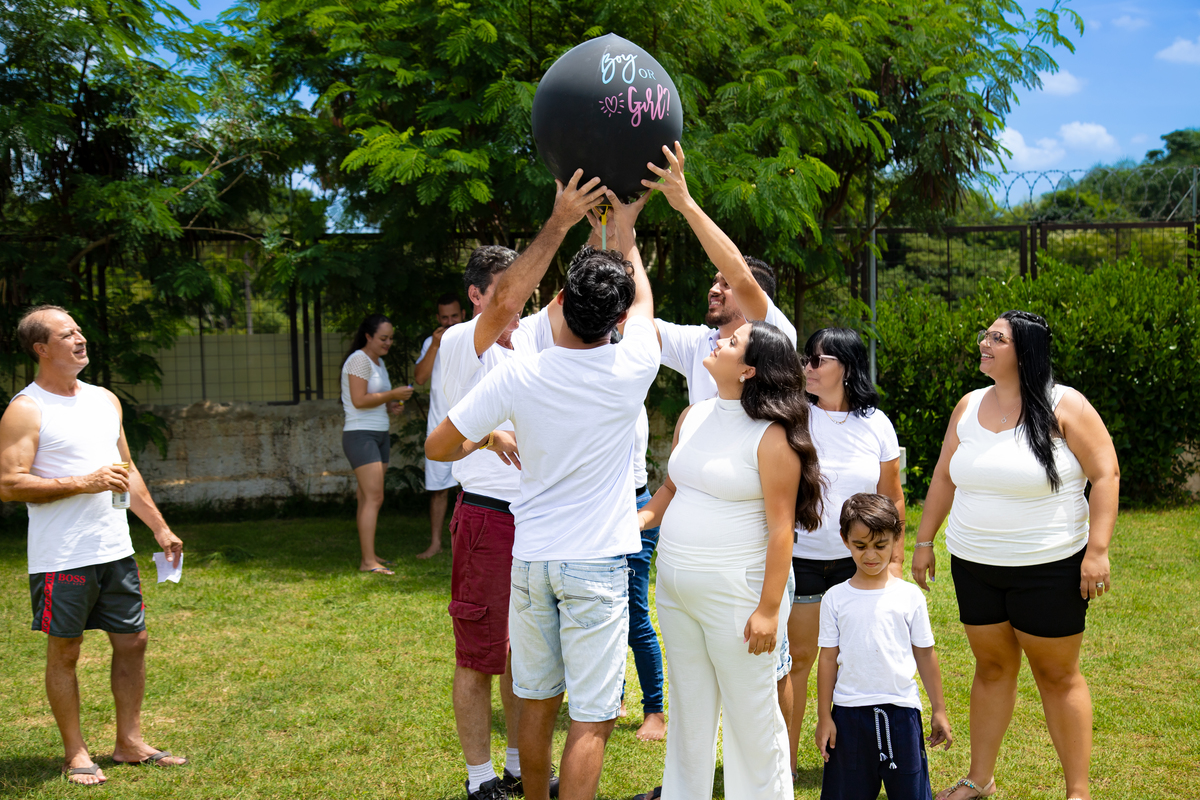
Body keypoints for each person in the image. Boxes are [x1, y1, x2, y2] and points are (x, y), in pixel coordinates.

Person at [427, 190, 659, 800]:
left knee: (534, 700)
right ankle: (498, 782)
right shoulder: (631, 368)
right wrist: (624, 231)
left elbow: (438, 447)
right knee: (592, 716)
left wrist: (482, 439)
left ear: (556, 303)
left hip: (532, 557)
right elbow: (635, 307)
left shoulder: (520, 369)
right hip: (591, 562)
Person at [911, 311, 1119, 800]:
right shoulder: (967, 406)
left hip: (1050, 567)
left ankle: (1078, 792)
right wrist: (924, 541)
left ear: (1024, 350)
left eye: (996, 338)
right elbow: (944, 476)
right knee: (992, 669)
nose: (984, 343)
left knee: (1057, 675)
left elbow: (1106, 475)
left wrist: (1098, 550)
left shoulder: (1066, 405)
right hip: (974, 565)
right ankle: (979, 778)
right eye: (985, 334)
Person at [642, 142, 800, 728]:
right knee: (700, 670)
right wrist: (619, 234)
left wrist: (682, 202)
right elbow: (636, 318)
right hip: (695, 549)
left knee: (769, 666)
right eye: (711, 285)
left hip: (750, 543)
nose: (716, 290)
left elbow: (736, 268)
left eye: (724, 285)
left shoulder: (770, 333)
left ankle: (772, 765)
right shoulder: (699, 346)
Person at [634, 320, 824, 800]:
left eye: (733, 342)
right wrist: (636, 522)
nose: (719, 340)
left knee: (751, 718)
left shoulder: (772, 437)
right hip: (676, 590)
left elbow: (783, 530)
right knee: (690, 714)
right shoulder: (693, 415)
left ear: (748, 370)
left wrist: (767, 610)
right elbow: (673, 487)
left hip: (740, 598)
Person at [0, 305, 188, 786]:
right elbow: (9, 484)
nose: (80, 339)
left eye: (80, 330)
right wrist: (83, 482)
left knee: (134, 641)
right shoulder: (26, 408)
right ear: (42, 349)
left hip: (114, 549)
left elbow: (126, 472)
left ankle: (129, 743)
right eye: (68, 334)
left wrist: (159, 527)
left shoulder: (105, 399)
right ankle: (76, 753)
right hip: (62, 555)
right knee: (66, 652)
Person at [786, 327, 905, 775]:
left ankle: (858, 758)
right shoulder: (796, 415)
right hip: (804, 559)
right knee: (800, 658)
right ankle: (788, 763)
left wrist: (892, 560)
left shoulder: (877, 423)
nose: (808, 367)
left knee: (858, 658)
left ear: (847, 368)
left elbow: (891, 496)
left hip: (862, 563)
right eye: (806, 359)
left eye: (818, 360)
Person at [815, 493, 952, 800]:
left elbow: (925, 653)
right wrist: (825, 716)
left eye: (880, 545)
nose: (871, 555)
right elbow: (827, 659)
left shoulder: (909, 597)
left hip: (902, 714)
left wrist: (939, 709)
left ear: (895, 539)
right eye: (860, 546)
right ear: (845, 540)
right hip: (848, 717)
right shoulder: (835, 599)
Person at [340, 313, 414, 575]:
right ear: (368, 336)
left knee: (367, 498)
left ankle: (370, 555)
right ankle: (368, 562)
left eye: (391, 338)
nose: (388, 343)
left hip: (379, 433)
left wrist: (390, 403)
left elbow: (373, 398)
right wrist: (392, 393)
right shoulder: (358, 360)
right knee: (375, 497)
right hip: (361, 435)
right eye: (383, 338)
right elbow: (359, 400)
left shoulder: (378, 362)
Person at [413, 292, 465, 559]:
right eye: (444, 317)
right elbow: (419, 378)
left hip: (471, 424)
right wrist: (434, 346)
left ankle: (465, 545)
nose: (449, 322)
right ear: (437, 318)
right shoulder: (430, 343)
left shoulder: (473, 337)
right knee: (438, 490)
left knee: (472, 488)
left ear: (463, 314)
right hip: (439, 426)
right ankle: (435, 542)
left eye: (454, 316)